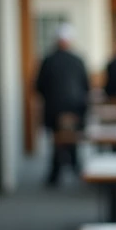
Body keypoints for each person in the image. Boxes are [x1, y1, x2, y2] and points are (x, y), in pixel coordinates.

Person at [34, 24, 90, 186]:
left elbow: (39, 87)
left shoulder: (47, 60)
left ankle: (55, 173)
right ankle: (74, 167)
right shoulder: (78, 60)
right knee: (73, 140)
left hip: (54, 109)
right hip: (75, 108)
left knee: (57, 141)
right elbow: (86, 86)